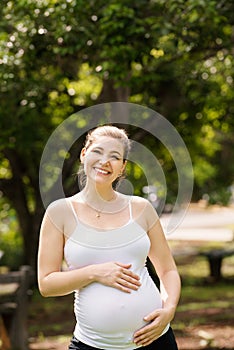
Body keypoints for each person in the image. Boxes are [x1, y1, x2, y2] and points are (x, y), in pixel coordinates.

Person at [38, 125, 181, 350]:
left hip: (156, 340)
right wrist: (95, 272)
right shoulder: (60, 213)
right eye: (98, 151)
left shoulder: (141, 209)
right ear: (84, 154)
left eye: (114, 157)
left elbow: (168, 270)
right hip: (92, 345)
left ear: (122, 167)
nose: (105, 161)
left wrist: (169, 308)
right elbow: (46, 284)